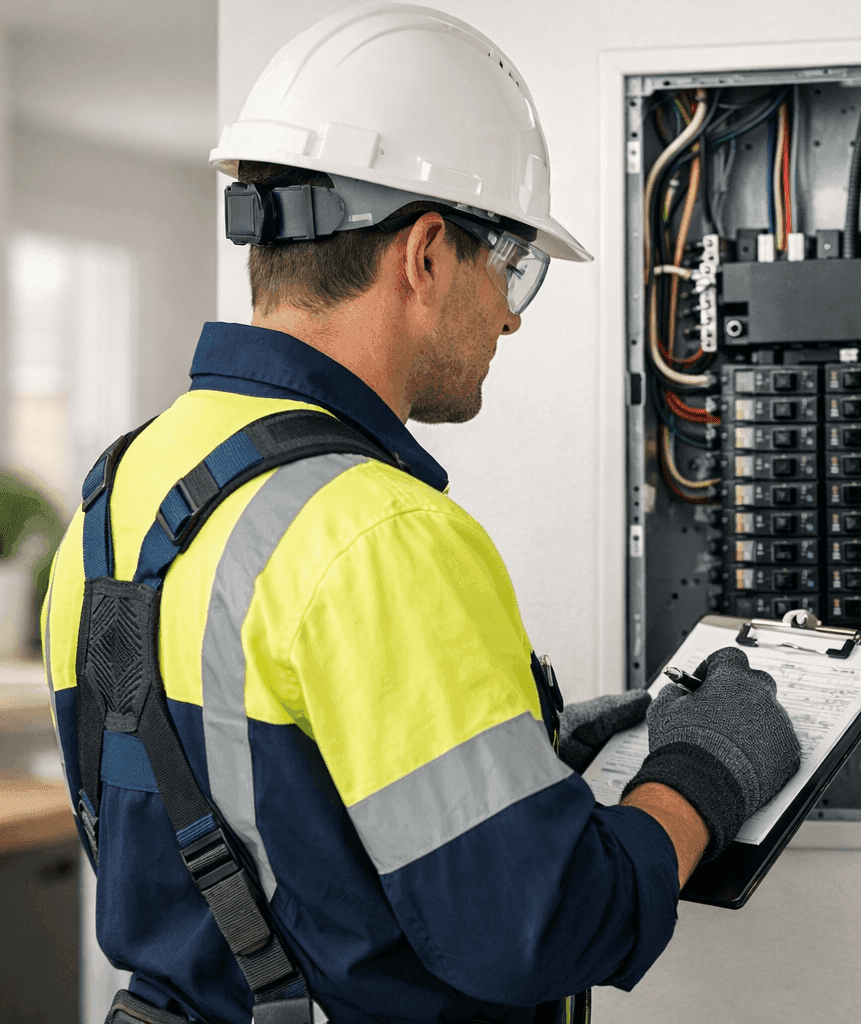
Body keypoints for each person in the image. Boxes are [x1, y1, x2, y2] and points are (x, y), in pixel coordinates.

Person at [42, 6, 801, 1023]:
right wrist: (702, 769)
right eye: (513, 266)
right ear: (428, 253)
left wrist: (524, 760)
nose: (514, 313)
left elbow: (213, 814)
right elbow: (543, 926)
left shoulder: (114, 494)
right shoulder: (379, 531)